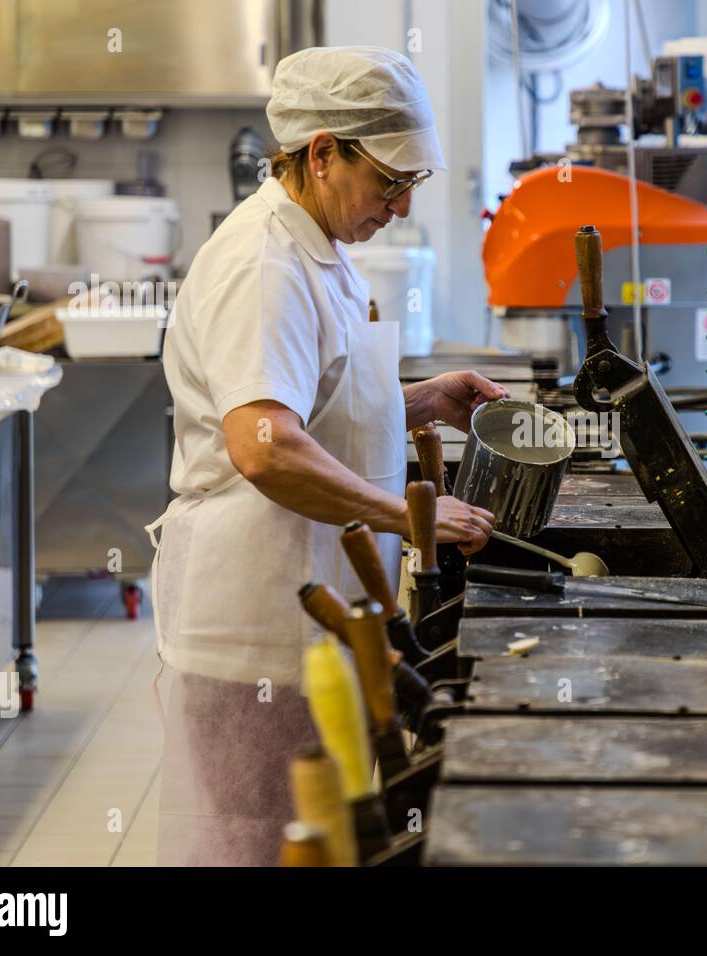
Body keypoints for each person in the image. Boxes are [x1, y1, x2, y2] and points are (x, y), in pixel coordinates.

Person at [147, 46, 503, 865]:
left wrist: (419, 401)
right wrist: (412, 516)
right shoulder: (262, 265)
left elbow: (311, 408)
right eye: (391, 183)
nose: (402, 208)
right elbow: (265, 449)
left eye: (413, 186)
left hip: (317, 613)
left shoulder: (317, 245)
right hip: (263, 621)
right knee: (261, 851)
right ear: (322, 153)